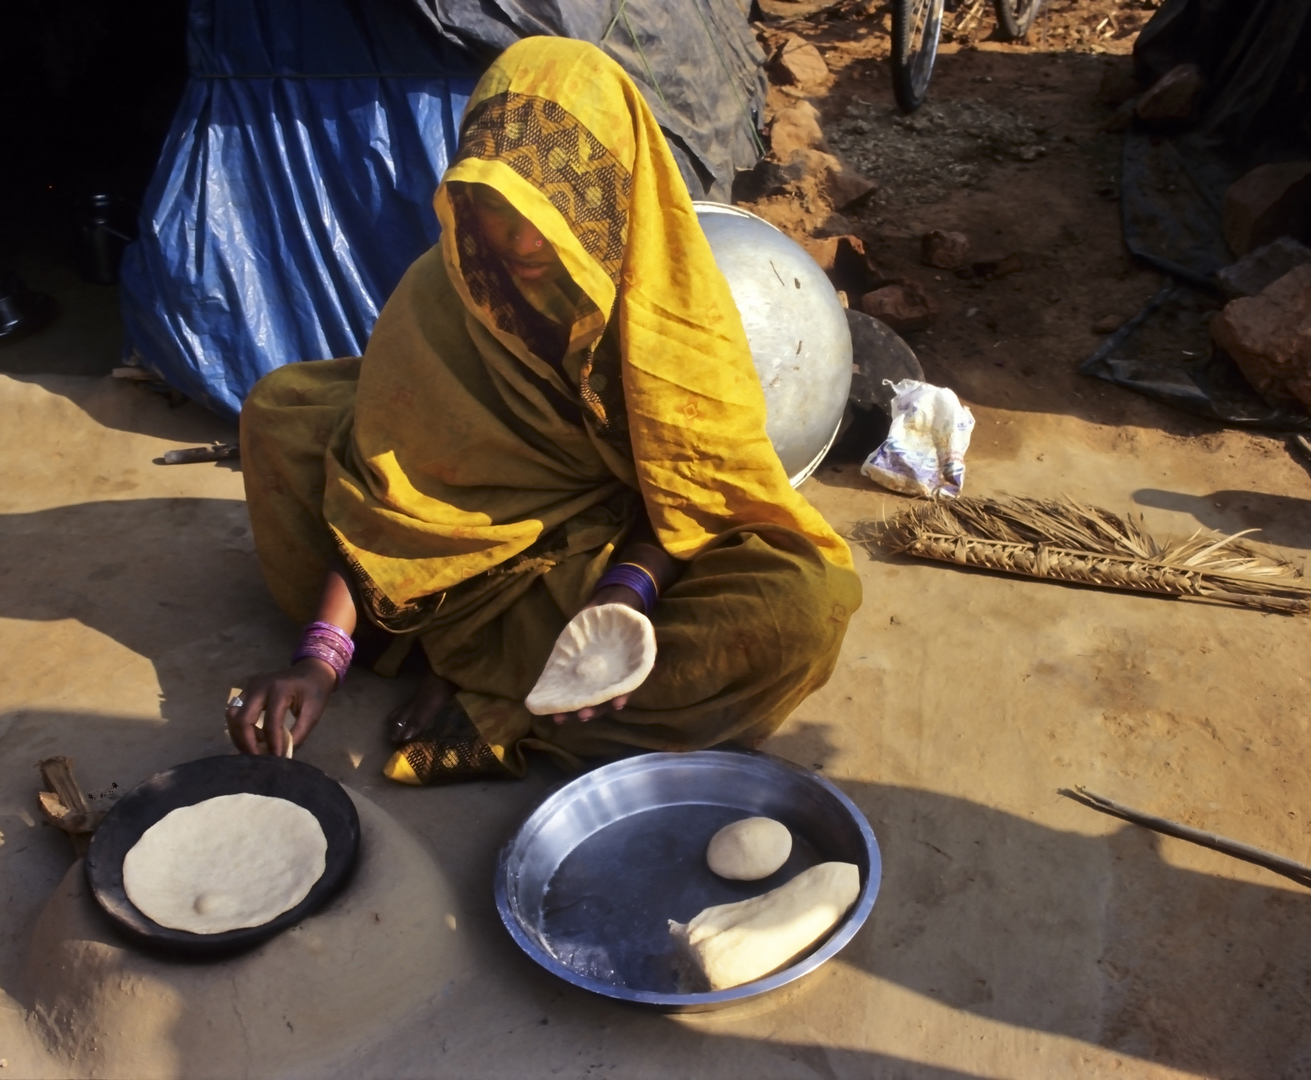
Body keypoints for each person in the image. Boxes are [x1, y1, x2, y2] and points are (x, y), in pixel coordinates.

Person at [227, 37, 861, 784]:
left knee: (802, 605)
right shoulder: (440, 301)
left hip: (607, 572)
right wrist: (317, 664)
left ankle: (515, 719)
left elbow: (700, 501)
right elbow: (383, 511)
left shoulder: (675, 308)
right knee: (283, 412)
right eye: (496, 206)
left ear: (609, 188)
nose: (523, 238)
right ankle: (468, 663)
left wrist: (621, 603)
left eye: (555, 204)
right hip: (447, 577)